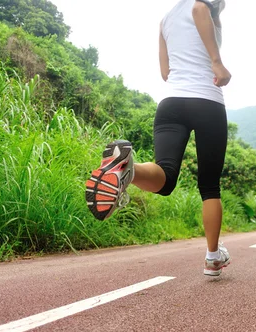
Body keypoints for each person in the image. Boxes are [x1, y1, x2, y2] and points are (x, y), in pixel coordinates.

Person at [86, 0, 231, 277]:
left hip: (170, 104)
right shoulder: (200, 8)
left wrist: (217, 14)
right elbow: (200, 9)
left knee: (166, 178)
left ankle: (129, 169)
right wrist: (216, 63)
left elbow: (165, 73)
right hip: (206, 102)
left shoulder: (165, 20)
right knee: (209, 185)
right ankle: (213, 257)